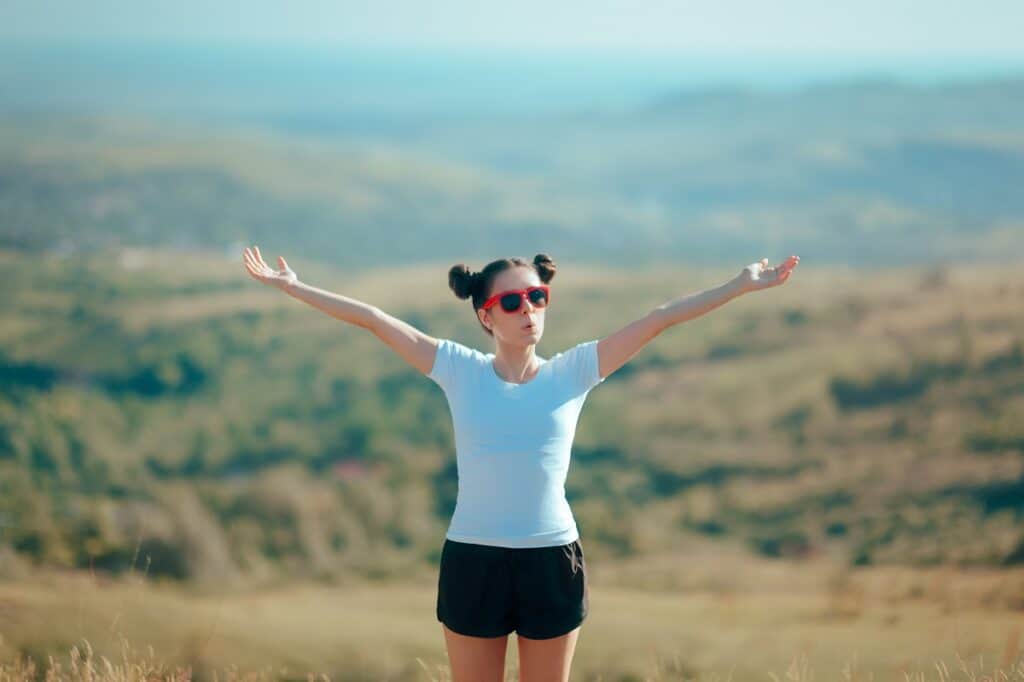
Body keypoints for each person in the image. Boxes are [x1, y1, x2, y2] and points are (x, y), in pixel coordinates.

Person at [242, 246, 799, 682]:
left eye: (536, 297)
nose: (528, 310)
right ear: (487, 317)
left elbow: (658, 320)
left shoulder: (575, 371)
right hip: (473, 559)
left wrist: (740, 285)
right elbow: (374, 319)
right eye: (512, 302)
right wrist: (293, 288)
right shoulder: (459, 369)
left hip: (552, 559)